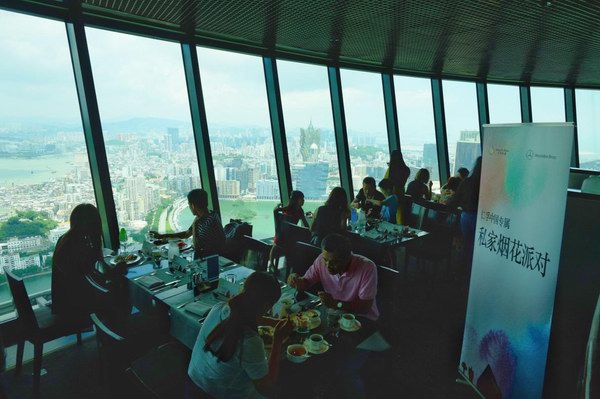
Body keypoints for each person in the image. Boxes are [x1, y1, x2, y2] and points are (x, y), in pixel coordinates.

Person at [287, 233, 378, 398]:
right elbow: (306, 281)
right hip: (332, 316)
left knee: (344, 369)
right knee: (307, 349)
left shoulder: (367, 267)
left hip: (362, 321)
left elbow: (365, 307)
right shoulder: (323, 260)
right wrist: (297, 281)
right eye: (325, 260)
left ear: (348, 257)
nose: (328, 266)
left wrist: (336, 303)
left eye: (334, 262)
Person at [187, 272, 292, 399]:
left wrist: (273, 322)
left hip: (194, 382)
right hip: (216, 394)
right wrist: (278, 341)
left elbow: (243, 315)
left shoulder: (219, 308)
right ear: (266, 305)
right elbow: (266, 386)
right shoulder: (250, 341)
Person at [51, 203, 126, 322]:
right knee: (120, 294)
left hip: (63, 301)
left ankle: (114, 331)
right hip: (74, 308)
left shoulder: (66, 239)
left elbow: (86, 276)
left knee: (117, 292)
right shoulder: (79, 245)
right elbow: (92, 280)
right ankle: (117, 331)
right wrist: (115, 272)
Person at [151, 189, 225, 259]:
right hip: (213, 256)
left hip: (211, 259)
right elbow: (186, 234)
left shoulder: (206, 222)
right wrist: (161, 236)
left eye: (189, 205)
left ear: (192, 205)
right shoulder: (211, 214)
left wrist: (195, 226)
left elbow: (197, 248)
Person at [447, 157, 482, 273]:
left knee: (467, 243)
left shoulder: (467, 181)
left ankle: (462, 270)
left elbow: (454, 200)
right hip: (479, 218)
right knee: (475, 246)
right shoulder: (486, 183)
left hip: (465, 216)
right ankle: (472, 272)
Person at [269, 190, 309, 272]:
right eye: (302, 199)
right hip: (289, 239)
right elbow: (306, 225)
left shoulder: (288, 209)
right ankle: (291, 267)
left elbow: (276, 211)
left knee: (275, 244)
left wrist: (277, 207)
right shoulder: (299, 211)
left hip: (281, 237)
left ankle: (272, 264)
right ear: (297, 200)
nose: (303, 201)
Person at [384, 149, 410, 224]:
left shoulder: (390, 170)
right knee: (400, 215)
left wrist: (391, 167)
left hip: (391, 195)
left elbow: (385, 181)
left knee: (390, 215)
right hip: (401, 193)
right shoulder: (406, 169)